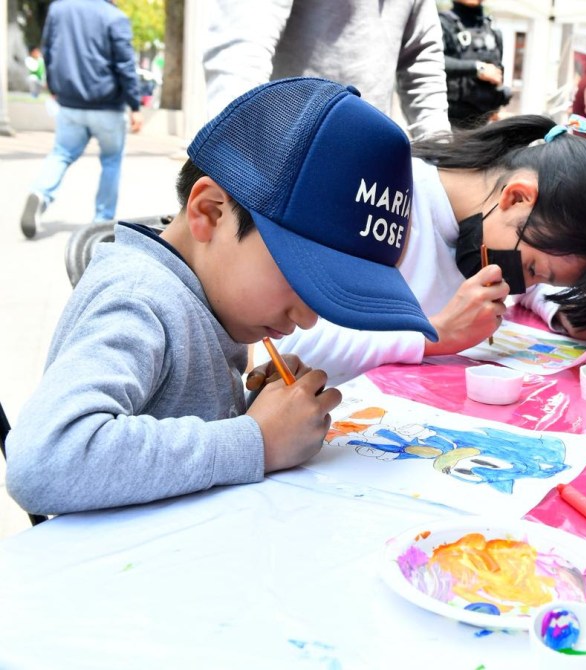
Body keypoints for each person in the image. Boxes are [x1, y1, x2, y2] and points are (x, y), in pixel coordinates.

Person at [5, 78, 437, 516]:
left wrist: (261, 411)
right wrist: (256, 441)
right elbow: (43, 460)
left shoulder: (212, 299)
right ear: (209, 212)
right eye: (299, 274)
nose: (308, 318)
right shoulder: (140, 297)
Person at [277, 115, 586, 386]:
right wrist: (436, 335)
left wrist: (567, 308)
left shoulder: (499, 225)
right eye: (532, 269)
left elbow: (538, 282)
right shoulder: (380, 198)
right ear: (517, 196)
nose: (519, 286)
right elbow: (284, 344)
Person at [204, 0, 451, 139]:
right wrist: (229, 158)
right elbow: (241, 50)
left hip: (367, 157)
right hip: (281, 154)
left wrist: (440, 158)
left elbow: (421, 58)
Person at [19, 0, 143, 239]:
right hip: (107, 106)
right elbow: (125, 65)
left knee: (62, 153)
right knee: (111, 160)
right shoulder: (114, 17)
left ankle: (40, 193)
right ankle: (102, 220)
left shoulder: (59, 9)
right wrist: (134, 105)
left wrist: (55, 88)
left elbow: (50, 51)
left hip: (70, 103)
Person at [439, 0, 511, 129]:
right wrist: (477, 68)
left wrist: (497, 106)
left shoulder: (490, 27)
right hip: (450, 121)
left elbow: (497, 69)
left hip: (484, 122)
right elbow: (433, 61)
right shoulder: (442, 23)